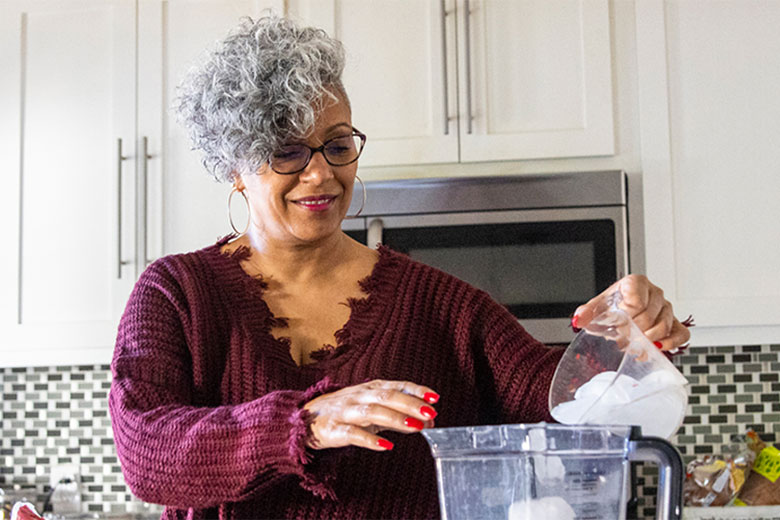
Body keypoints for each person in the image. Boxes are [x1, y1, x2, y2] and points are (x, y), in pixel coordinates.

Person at [108, 14, 691, 520]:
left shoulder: (441, 305)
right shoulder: (177, 293)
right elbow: (146, 451)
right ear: (235, 167)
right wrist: (303, 424)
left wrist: (625, 337)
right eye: (288, 152)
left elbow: (551, 396)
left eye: (338, 146)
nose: (321, 173)